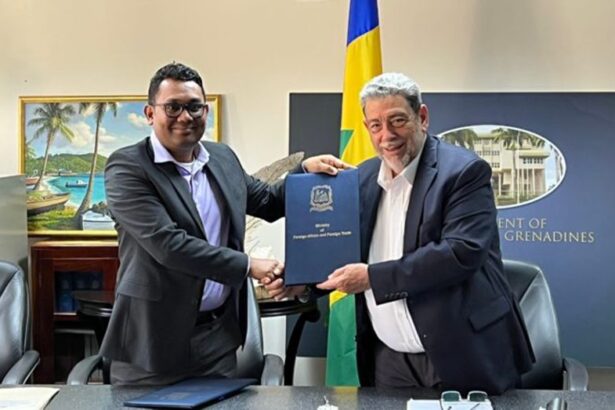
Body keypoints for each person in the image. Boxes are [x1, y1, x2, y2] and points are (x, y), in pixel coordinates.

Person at [266, 72, 534, 394]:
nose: (387, 135)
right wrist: (305, 283)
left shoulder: (464, 172)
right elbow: (343, 250)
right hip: (388, 359)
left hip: (462, 352)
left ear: (422, 117)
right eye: (376, 125)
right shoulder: (361, 178)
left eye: (397, 120)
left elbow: (460, 253)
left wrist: (371, 278)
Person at [101, 62, 348, 385]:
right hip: (152, 341)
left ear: (205, 111)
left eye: (194, 107)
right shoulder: (127, 167)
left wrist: (304, 174)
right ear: (150, 113)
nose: (185, 116)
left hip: (217, 340)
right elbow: (168, 245)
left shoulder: (222, 158)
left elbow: (268, 201)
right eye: (173, 107)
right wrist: (249, 265)